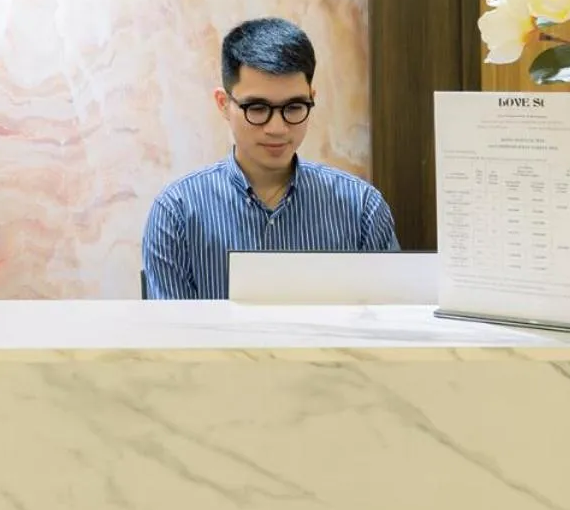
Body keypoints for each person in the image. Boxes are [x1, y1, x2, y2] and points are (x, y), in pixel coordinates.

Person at [141, 17, 397, 299]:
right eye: (257, 108)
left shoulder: (361, 209)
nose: (277, 128)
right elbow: (173, 338)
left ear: (312, 98)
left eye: (294, 106)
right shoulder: (176, 213)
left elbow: (391, 330)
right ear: (224, 104)